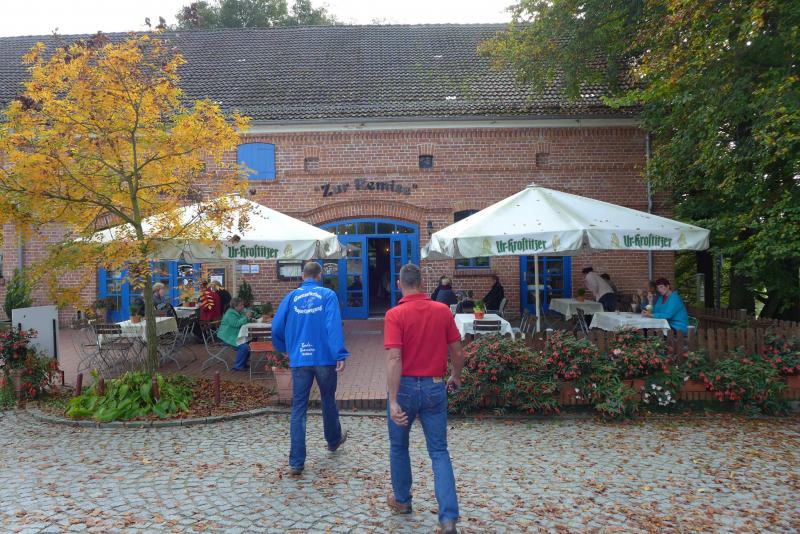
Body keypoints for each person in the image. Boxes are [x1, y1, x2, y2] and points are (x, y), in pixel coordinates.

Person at [384, 263, 464, 534]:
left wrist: (393, 400)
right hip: (434, 386)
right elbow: (458, 351)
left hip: (405, 387)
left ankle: (402, 500)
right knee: (439, 451)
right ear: (422, 283)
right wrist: (456, 375)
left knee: (399, 446)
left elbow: (394, 358)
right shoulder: (442, 311)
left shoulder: (394, 315)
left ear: (399, 284)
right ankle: (448, 518)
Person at [272, 262, 349, 477]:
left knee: (298, 408)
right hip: (324, 358)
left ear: (302, 276)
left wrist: (287, 348)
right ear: (320, 275)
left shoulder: (291, 297)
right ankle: (333, 440)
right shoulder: (328, 295)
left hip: (300, 358)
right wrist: (339, 353)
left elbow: (276, 327)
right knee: (328, 399)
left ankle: (296, 462)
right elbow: (333, 325)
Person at [216, 297, 253, 371]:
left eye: (243, 304)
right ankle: (238, 366)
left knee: (249, 344)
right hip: (226, 337)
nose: (243, 306)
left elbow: (243, 321)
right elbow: (236, 324)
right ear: (235, 306)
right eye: (241, 305)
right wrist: (246, 317)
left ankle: (243, 363)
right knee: (244, 347)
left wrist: (249, 318)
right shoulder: (230, 314)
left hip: (234, 335)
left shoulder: (239, 312)